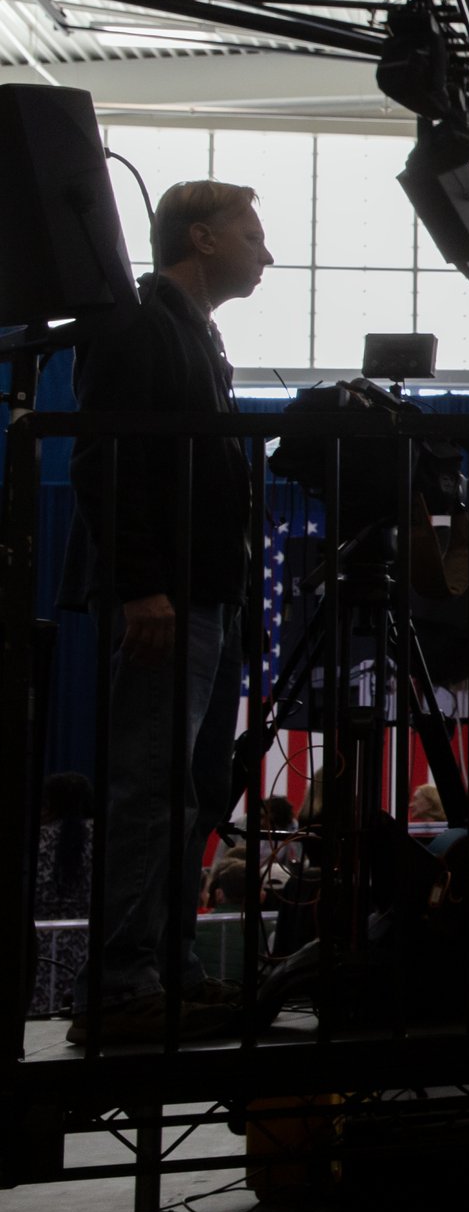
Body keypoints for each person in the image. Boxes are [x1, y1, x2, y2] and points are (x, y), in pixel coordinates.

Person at [60, 179, 272, 1042]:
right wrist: (141, 581)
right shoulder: (141, 323)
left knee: (193, 789)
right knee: (149, 786)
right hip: (167, 595)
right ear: (202, 238)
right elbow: (101, 459)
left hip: (208, 595)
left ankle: (171, 967)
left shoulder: (198, 335)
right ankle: (119, 981)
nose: (266, 251)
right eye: (251, 233)